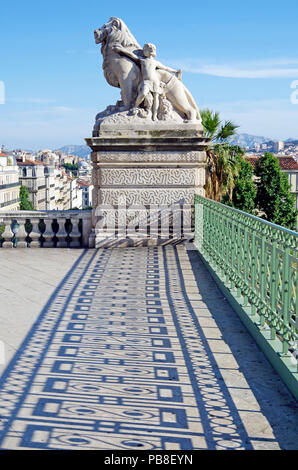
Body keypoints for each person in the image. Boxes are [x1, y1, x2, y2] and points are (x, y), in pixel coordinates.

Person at [113, 42, 181, 120]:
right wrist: (121, 50)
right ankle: (135, 106)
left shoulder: (155, 62)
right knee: (143, 93)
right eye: (146, 49)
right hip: (146, 82)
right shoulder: (142, 60)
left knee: (156, 98)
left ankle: (154, 115)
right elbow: (132, 55)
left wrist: (175, 71)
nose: (147, 51)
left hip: (155, 81)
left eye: (149, 49)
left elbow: (165, 68)